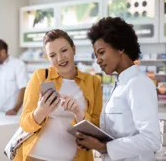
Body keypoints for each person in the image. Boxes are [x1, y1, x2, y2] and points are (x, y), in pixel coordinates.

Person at [76, 17, 161, 161]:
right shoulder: (120, 84)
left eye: (101, 52)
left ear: (120, 47)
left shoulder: (138, 83)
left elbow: (151, 139)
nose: (98, 60)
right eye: (96, 55)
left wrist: (104, 147)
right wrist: (96, 141)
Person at [14, 29, 103, 161]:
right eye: (52, 55)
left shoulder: (93, 82)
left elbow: (96, 129)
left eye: (64, 50)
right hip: (35, 157)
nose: (60, 58)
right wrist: (41, 111)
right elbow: (25, 125)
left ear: (74, 49)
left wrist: (79, 113)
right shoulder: (40, 77)